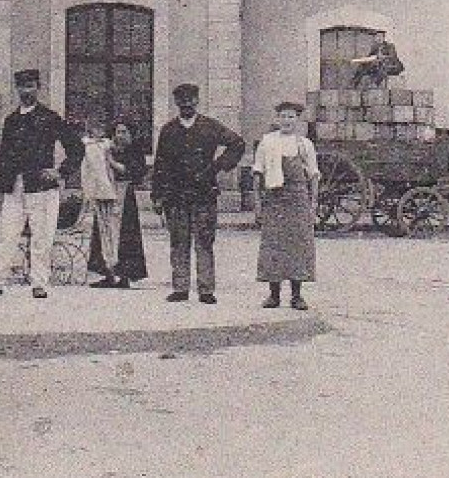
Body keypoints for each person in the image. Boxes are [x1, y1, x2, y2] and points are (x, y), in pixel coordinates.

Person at [0, 69, 85, 299]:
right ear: (17, 89)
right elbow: (5, 158)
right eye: (22, 86)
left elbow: (76, 148)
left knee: (42, 236)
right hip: (15, 187)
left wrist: (60, 172)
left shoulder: (50, 118)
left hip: (41, 187)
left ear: (38, 88)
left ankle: (39, 283)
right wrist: (0, 190)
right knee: (4, 233)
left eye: (31, 86)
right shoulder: (11, 120)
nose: (26, 91)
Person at [151, 83, 245, 304]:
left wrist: (218, 165)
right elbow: (160, 164)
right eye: (182, 101)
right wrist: (157, 195)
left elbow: (237, 144)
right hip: (175, 195)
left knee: (204, 240)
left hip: (203, 193)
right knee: (178, 241)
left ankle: (206, 289)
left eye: (190, 100)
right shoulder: (168, 130)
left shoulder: (210, 127)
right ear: (176, 103)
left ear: (197, 102)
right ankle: (180, 288)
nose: (186, 105)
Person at [252, 100, 320, 310]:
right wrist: (257, 202)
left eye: (291, 117)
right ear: (277, 119)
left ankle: (297, 295)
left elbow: (314, 175)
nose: (287, 121)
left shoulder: (304, 144)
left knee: (298, 245)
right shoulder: (268, 142)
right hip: (274, 198)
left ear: (297, 120)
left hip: (298, 198)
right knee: (274, 245)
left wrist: (313, 202)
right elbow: (258, 174)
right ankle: (273, 295)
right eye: (283, 116)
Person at [87, 120, 150, 288]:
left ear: (131, 134)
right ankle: (108, 274)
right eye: (117, 132)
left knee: (126, 235)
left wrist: (112, 163)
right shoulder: (107, 148)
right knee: (103, 232)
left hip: (124, 196)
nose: (120, 135)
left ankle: (125, 276)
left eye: (124, 132)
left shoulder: (135, 151)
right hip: (106, 194)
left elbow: (135, 172)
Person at [78, 118, 122, 284]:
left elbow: (107, 167)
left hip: (107, 189)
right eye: (96, 129)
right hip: (98, 189)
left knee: (109, 230)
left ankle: (112, 266)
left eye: (101, 129)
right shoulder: (89, 146)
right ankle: (108, 267)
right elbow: (89, 170)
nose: (99, 132)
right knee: (104, 230)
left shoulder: (105, 145)